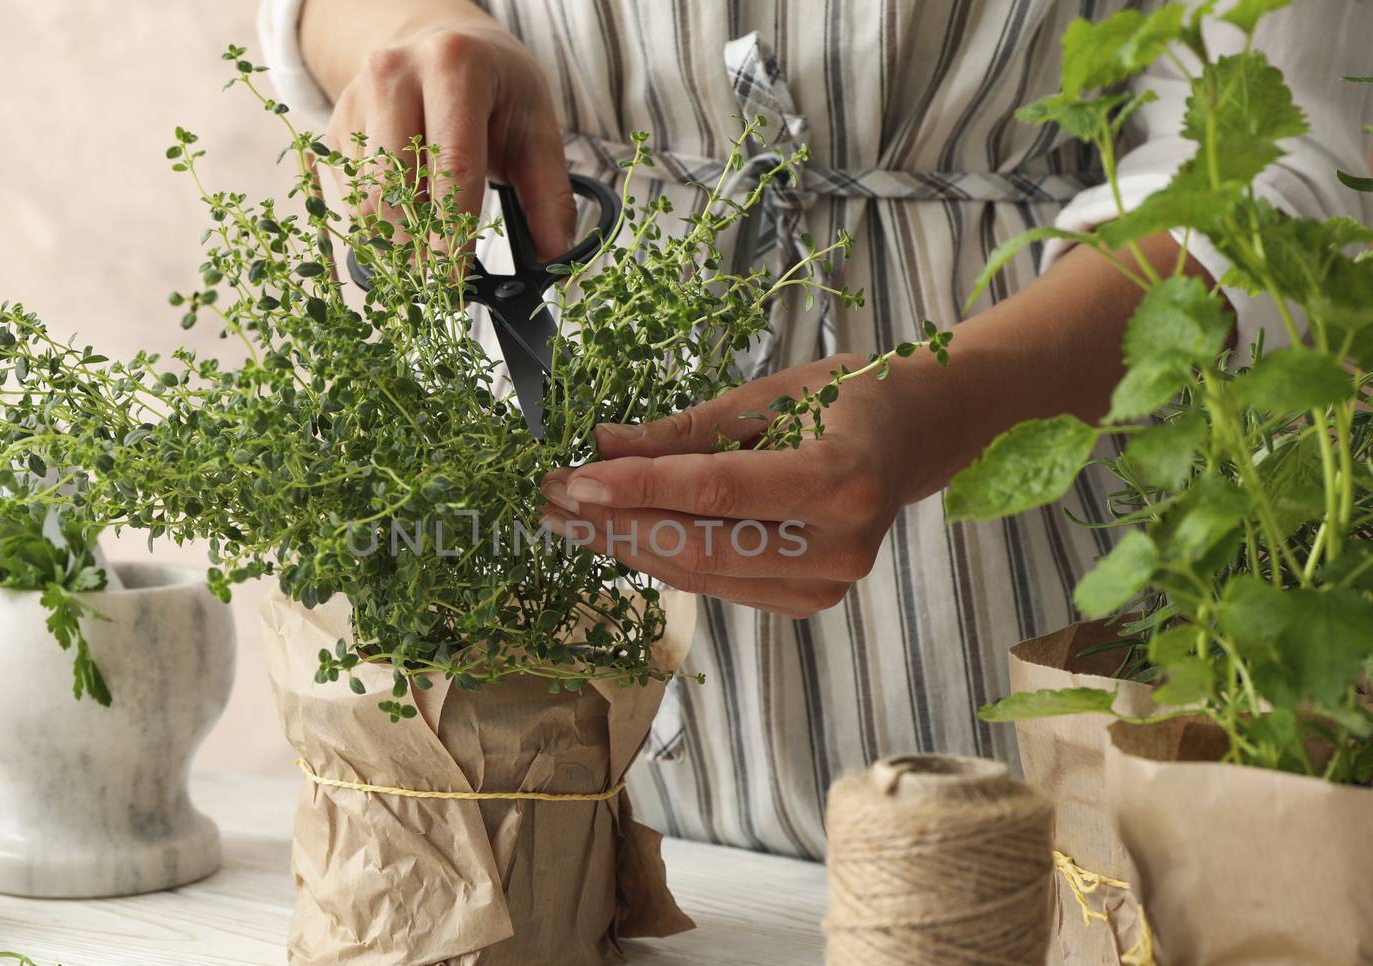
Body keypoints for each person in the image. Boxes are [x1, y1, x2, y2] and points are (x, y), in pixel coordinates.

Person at [258, 0, 1372, 858]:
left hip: (1018, 583)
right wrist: (417, 32)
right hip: (542, 678)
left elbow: (1284, 152)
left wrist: (954, 400)